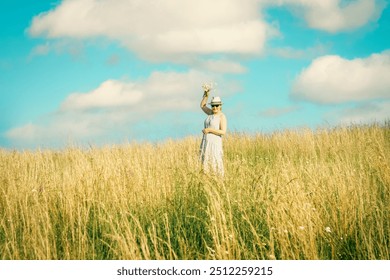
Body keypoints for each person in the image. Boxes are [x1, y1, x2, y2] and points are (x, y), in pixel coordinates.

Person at [199, 86, 227, 176]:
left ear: (220, 106)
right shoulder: (210, 113)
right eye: (213, 105)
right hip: (206, 141)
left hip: (215, 143)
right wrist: (206, 94)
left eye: (217, 105)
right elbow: (202, 105)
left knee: (215, 162)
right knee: (205, 162)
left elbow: (223, 131)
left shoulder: (222, 116)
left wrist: (210, 130)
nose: (215, 107)